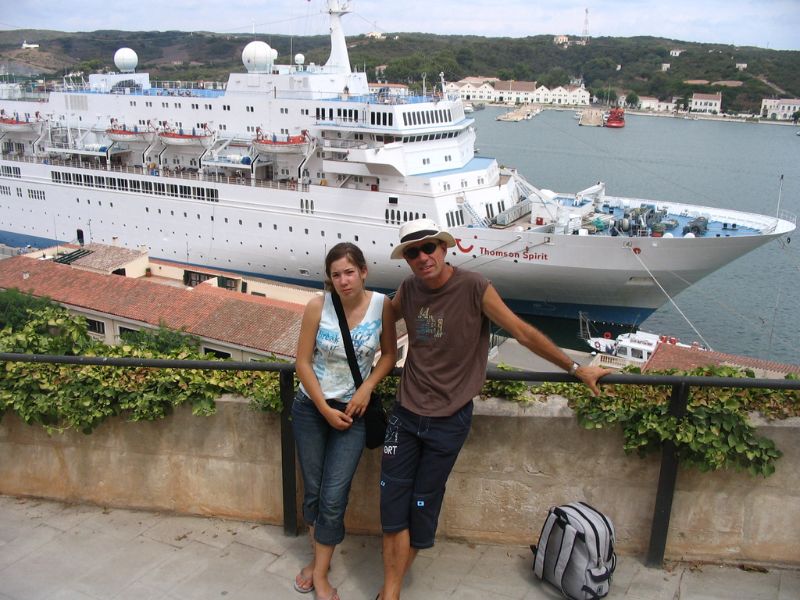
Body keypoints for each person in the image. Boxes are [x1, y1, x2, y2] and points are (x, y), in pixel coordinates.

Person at [376, 219, 612, 600]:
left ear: (444, 248)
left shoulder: (474, 287)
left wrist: (575, 367)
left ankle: (391, 588)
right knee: (391, 508)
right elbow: (387, 312)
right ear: (407, 259)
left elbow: (521, 332)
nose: (422, 257)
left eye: (428, 247)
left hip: (448, 421)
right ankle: (390, 593)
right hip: (405, 415)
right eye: (412, 252)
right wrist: (379, 347)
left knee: (421, 507)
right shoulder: (408, 289)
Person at [292, 242, 397, 600]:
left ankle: (319, 573)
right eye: (336, 274)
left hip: (354, 412)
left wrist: (366, 388)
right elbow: (302, 362)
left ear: (363, 271)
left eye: (349, 272)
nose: (344, 280)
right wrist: (323, 408)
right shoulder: (317, 307)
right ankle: (319, 565)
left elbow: (389, 355)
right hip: (312, 409)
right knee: (314, 490)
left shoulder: (382, 306)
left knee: (334, 495)